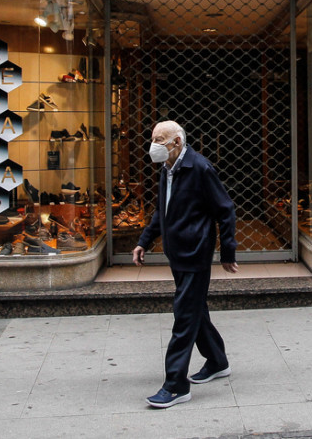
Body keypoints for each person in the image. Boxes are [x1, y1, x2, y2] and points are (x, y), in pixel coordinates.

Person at [132, 120, 239, 409]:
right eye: (153, 138)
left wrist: (228, 251)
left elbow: (225, 209)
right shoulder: (167, 169)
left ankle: (176, 385)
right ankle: (217, 361)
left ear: (177, 142)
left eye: (160, 139)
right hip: (176, 253)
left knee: (184, 315)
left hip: (195, 253)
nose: (154, 144)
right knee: (194, 310)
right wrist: (144, 240)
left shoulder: (199, 168)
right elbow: (161, 210)